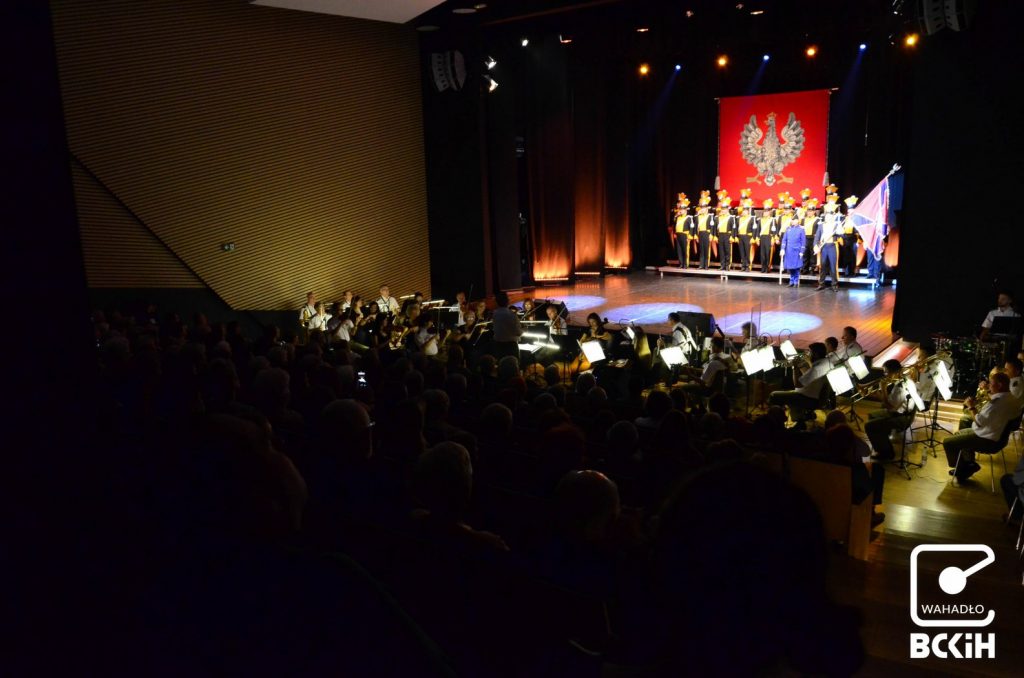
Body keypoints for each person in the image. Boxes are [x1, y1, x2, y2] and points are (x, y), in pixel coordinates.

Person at [943, 372, 1022, 482]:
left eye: (991, 384)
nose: (989, 386)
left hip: (986, 439)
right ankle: (969, 463)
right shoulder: (1010, 398)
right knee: (958, 434)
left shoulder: (997, 402)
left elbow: (979, 421)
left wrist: (971, 406)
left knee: (948, 442)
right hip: (994, 434)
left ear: (999, 385)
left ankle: (963, 470)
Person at [864, 360, 915, 461]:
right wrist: (876, 394)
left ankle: (887, 453)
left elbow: (889, 407)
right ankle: (883, 441)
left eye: (886, 372)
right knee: (872, 415)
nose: (885, 375)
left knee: (869, 425)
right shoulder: (904, 380)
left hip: (901, 417)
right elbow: (891, 403)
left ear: (894, 372)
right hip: (900, 412)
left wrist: (883, 391)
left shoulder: (900, 387)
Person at [768, 342, 830, 424]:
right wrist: (801, 365)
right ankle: (802, 417)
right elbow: (808, 377)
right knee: (787, 395)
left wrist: (795, 367)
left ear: (816, 354)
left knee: (773, 395)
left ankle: (776, 422)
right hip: (809, 395)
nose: (807, 354)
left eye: (809, 352)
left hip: (806, 398)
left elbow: (797, 384)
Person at [815, 201, 842, 291]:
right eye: (827, 216)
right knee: (822, 266)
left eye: (830, 216)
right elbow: (817, 237)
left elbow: (842, 236)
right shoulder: (821, 226)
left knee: (833, 266)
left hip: (832, 247)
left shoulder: (836, 226)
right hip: (824, 247)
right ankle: (821, 284)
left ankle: (834, 285)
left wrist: (840, 231)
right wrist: (815, 245)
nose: (828, 218)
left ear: (833, 217)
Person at [491, 291, 522, 359]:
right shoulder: (512, 315)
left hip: (498, 346)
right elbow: (518, 332)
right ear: (507, 301)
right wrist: (523, 330)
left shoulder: (494, 314)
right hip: (510, 347)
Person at [780, 208, 805, 287]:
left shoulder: (801, 230)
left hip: (797, 250)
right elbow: (784, 240)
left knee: (796, 267)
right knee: (790, 267)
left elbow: (803, 241)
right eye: (793, 220)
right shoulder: (788, 229)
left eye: (796, 220)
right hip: (789, 250)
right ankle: (791, 281)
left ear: (798, 221)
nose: (794, 221)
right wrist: (782, 249)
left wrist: (802, 251)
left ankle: (796, 281)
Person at [755, 199, 779, 273]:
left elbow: (775, 231)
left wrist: (773, 239)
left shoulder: (772, 220)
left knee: (768, 253)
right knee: (762, 254)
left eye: (767, 211)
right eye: (765, 211)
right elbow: (758, 230)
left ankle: (768, 268)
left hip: (769, 238)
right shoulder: (760, 220)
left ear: (770, 212)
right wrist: (757, 239)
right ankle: (763, 267)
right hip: (762, 238)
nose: (766, 213)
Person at [671, 194, 695, 267]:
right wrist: (676, 215)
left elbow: (692, 227)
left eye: (682, 209)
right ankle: (681, 263)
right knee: (679, 250)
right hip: (678, 235)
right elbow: (674, 223)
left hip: (685, 235)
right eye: (680, 209)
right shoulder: (678, 217)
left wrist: (690, 236)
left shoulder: (689, 217)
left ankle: (685, 264)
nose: (681, 210)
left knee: (685, 250)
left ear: (686, 210)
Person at [714, 195, 736, 271]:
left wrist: (732, 236)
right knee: (721, 251)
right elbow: (715, 227)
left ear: (727, 209)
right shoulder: (718, 217)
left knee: (727, 251)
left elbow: (734, 228)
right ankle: (722, 265)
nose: (723, 210)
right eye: (722, 209)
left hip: (727, 235)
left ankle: (727, 265)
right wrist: (716, 236)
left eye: (725, 209)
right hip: (720, 235)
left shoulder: (731, 217)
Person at [841, 195, 860, 277]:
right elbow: (841, 229)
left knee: (853, 256)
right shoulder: (844, 218)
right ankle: (847, 271)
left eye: (851, 210)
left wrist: (859, 239)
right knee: (846, 256)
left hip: (854, 239)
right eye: (849, 210)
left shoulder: (857, 219)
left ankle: (853, 271)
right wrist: (841, 238)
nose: (850, 212)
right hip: (845, 238)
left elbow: (858, 230)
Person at [735, 197, 755, 272]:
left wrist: (753, 237)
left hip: (747, 237)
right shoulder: (739, 218)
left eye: (745, 211)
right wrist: (736, 236)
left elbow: (754, 229)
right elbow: (736, 228)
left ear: (748, 211)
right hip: (740, 236)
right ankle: (743, 266)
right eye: (743, 210)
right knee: (742, 252)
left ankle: (748, 266)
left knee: (747, 252)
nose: (744, 212)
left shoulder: (751, 218)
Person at [694, 192, 714, 269]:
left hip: (707, 233)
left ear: (707, 208)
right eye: (701, 208)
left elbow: (712, 226)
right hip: (700, 233)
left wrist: (711, 234)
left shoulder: (710, 216)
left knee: (706, 249)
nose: (702, 209)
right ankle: (701, 264)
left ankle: (706, 265)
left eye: (704, 208)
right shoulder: (698, 216)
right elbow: (695, 223)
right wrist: (697, 213)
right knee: (701, 250)